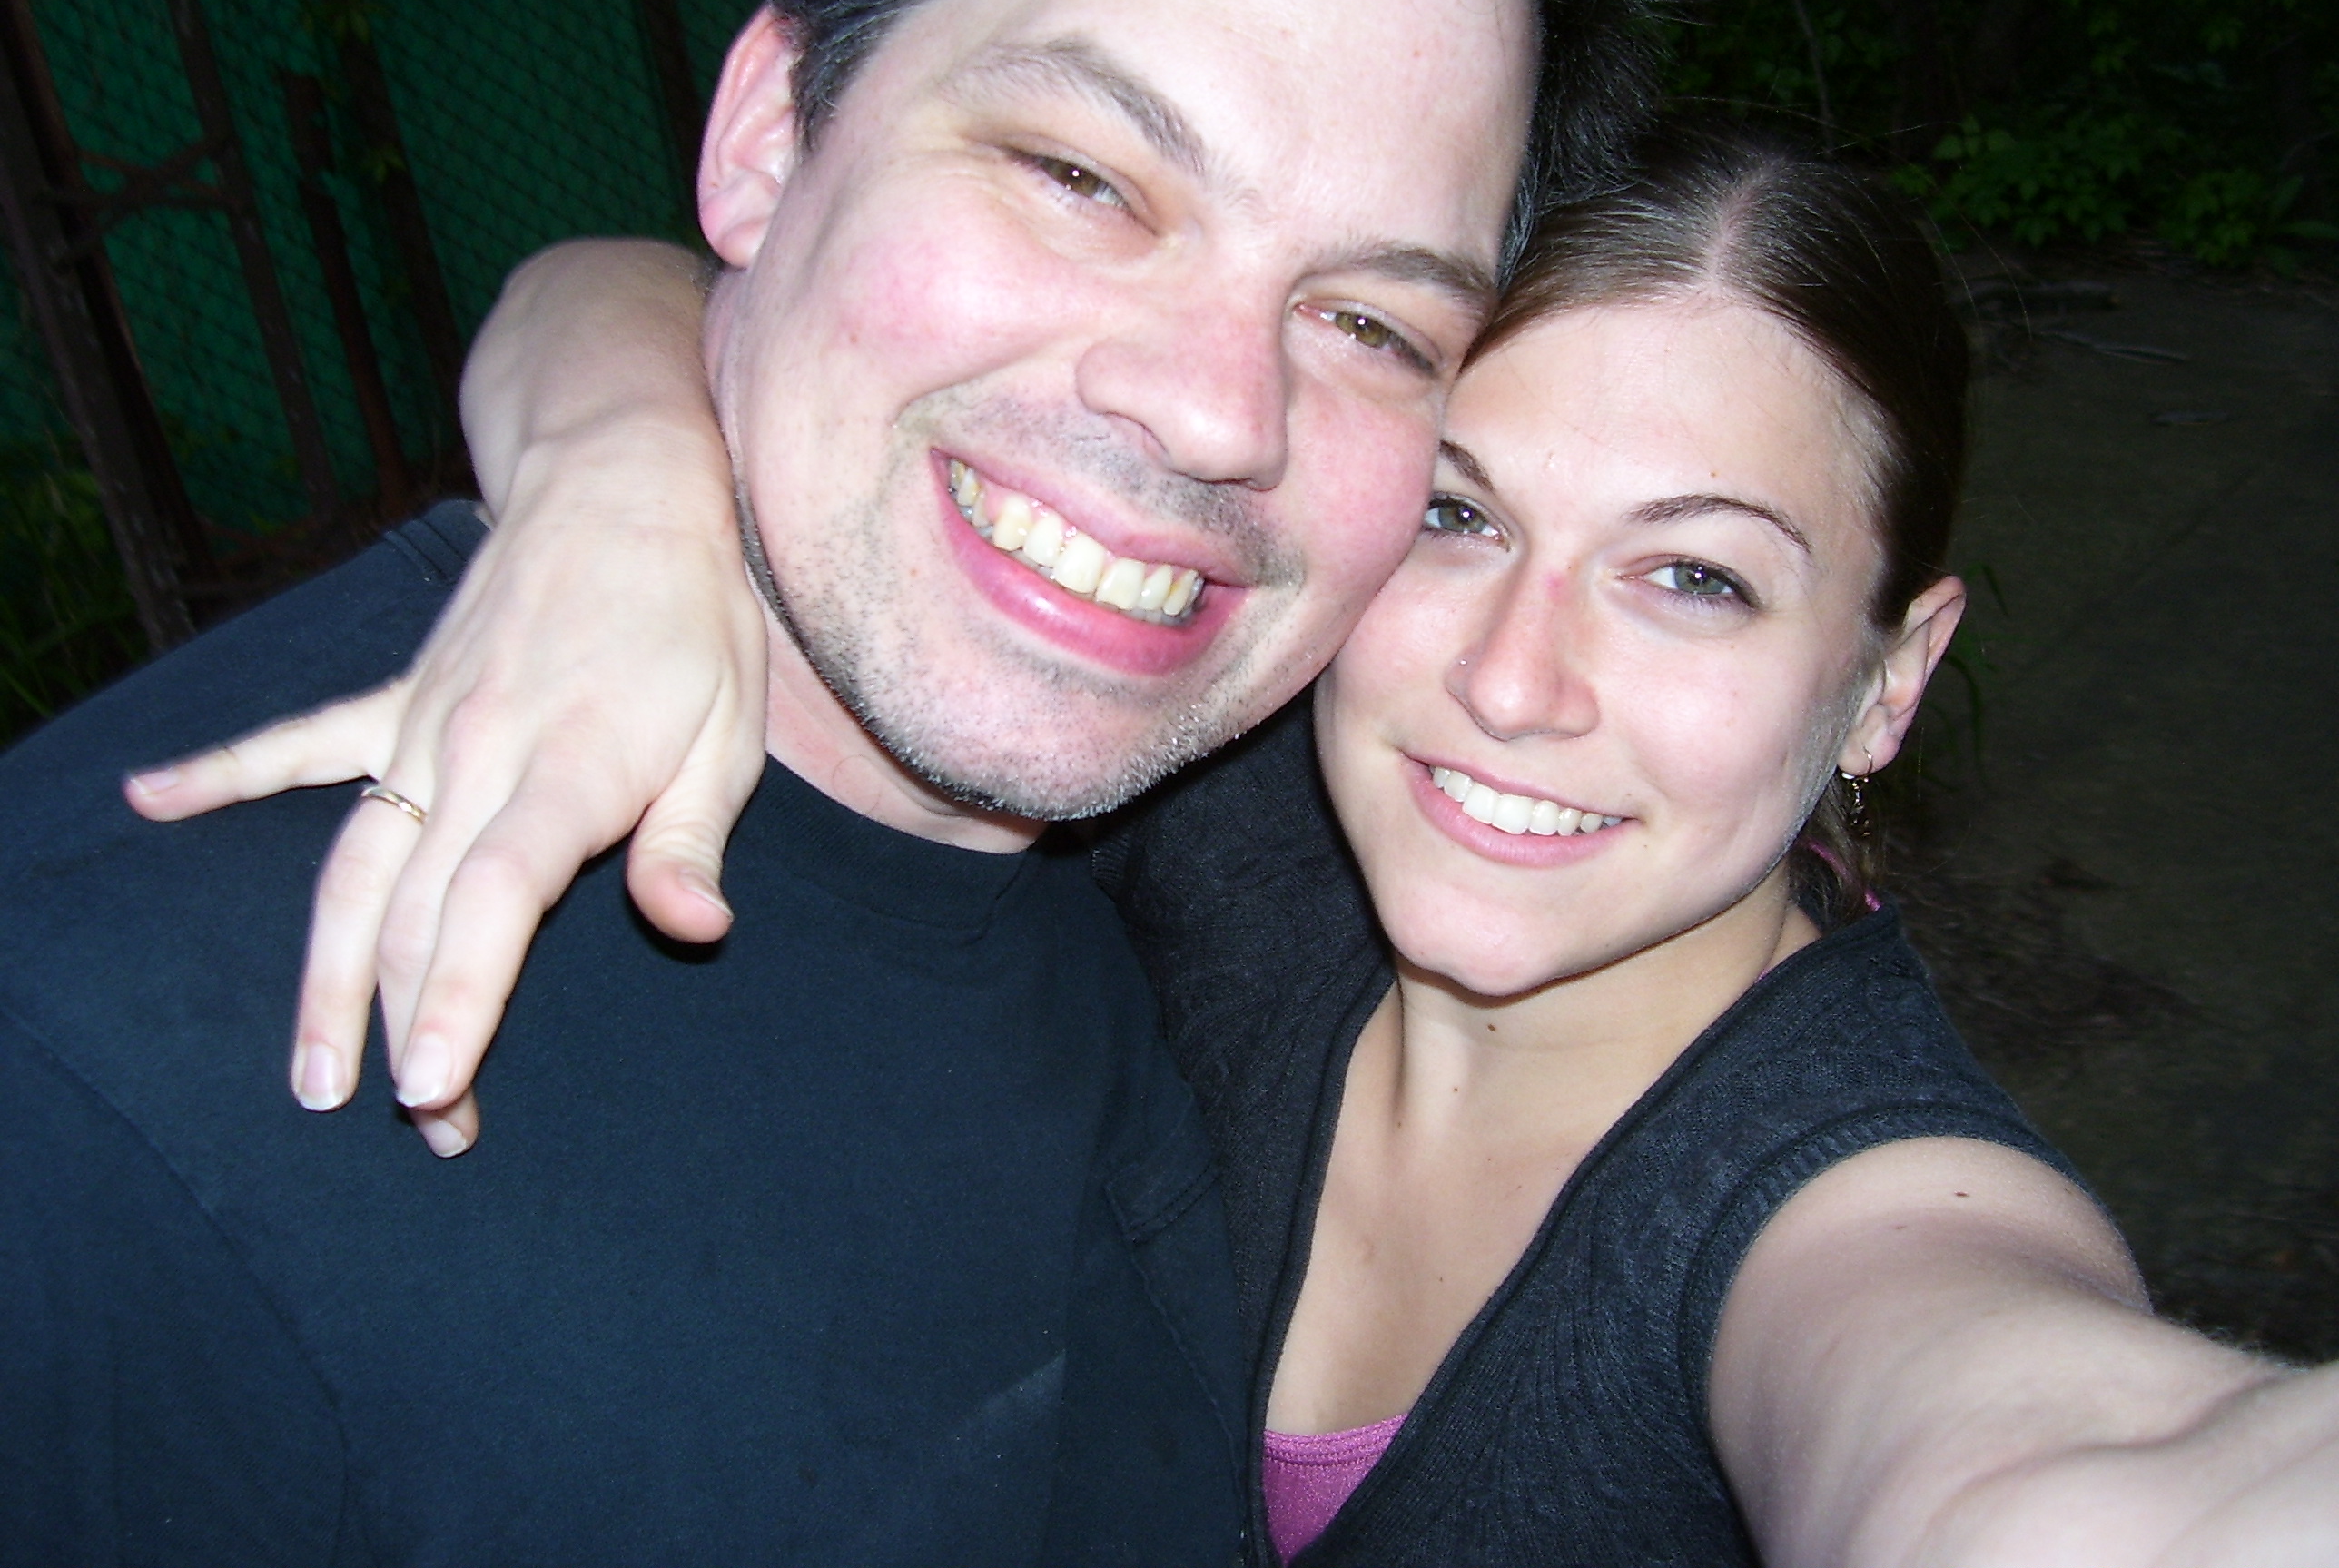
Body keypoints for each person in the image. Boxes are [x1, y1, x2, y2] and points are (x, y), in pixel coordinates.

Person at [158, 123, 2339, 1564]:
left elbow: (2063, 1466)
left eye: (1694, 579)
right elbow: (618, 276)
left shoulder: (1849, 1211)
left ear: (1883, 673)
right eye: (1461, 519)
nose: (1512, 680)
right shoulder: (1233, 807)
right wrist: (623, 490)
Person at [0, 0, 1663, 1557]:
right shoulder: (97, 1096)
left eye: (1374, 326)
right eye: (1085, 177)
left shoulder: (1278, 826)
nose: (1220, 413)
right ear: (768, 137)